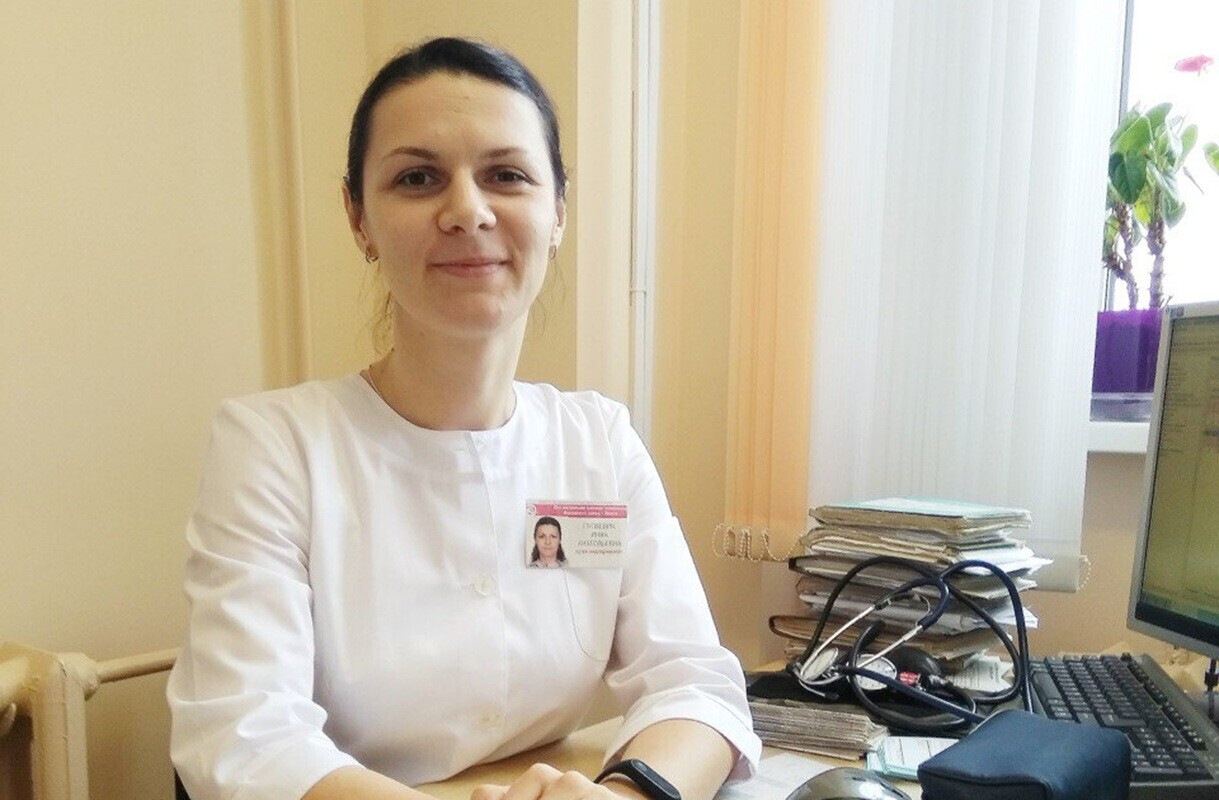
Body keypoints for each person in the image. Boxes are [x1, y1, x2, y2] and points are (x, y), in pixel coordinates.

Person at [167, 36, 760, 800]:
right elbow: (245, 736)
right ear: (358, 218)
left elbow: (695, 684)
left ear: (557, 213)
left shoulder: (598, 443)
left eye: (505, 175)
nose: (467, 211)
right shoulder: (274, 447)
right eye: (417, 178)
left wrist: (626, 795)